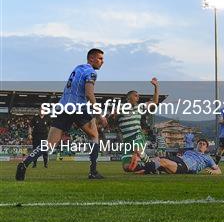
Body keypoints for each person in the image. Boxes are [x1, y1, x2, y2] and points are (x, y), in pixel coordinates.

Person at [16, 48, 107, 180]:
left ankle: (24, 164)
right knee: (94, 135)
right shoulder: (91, 72)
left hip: (63, 106)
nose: (102, 62)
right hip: (77, 107)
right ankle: (93, 171)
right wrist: (99, 115)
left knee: (50, 143)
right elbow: (89, 94)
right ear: (91, 58)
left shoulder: (78, 68)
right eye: (100, 58)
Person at [108, 78, 159, 173]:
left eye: (138, 96)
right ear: (128, 98)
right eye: (135, 96)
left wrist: (156, 86)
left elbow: (155, 102)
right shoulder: (119, 108)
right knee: (127, 168)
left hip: (137, 134)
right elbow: (110, 124)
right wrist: (113, 116)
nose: (138, 97)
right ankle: (145, 168)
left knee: (138, 150)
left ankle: (153, 167)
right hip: (126, 139)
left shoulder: (139, 107)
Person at [140, 139, 221, 175]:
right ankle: (142, 166)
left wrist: (213, 172)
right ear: (197, 145)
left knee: (162, 162)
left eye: (203, 144)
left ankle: (142, 166)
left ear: (206, 148)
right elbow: (181, 156)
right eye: (200, 143)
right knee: (157, 158)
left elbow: (218, 170)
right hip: (179, 159)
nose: (201, 145)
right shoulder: (189, 151)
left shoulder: (207, 157)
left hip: (186, 166)